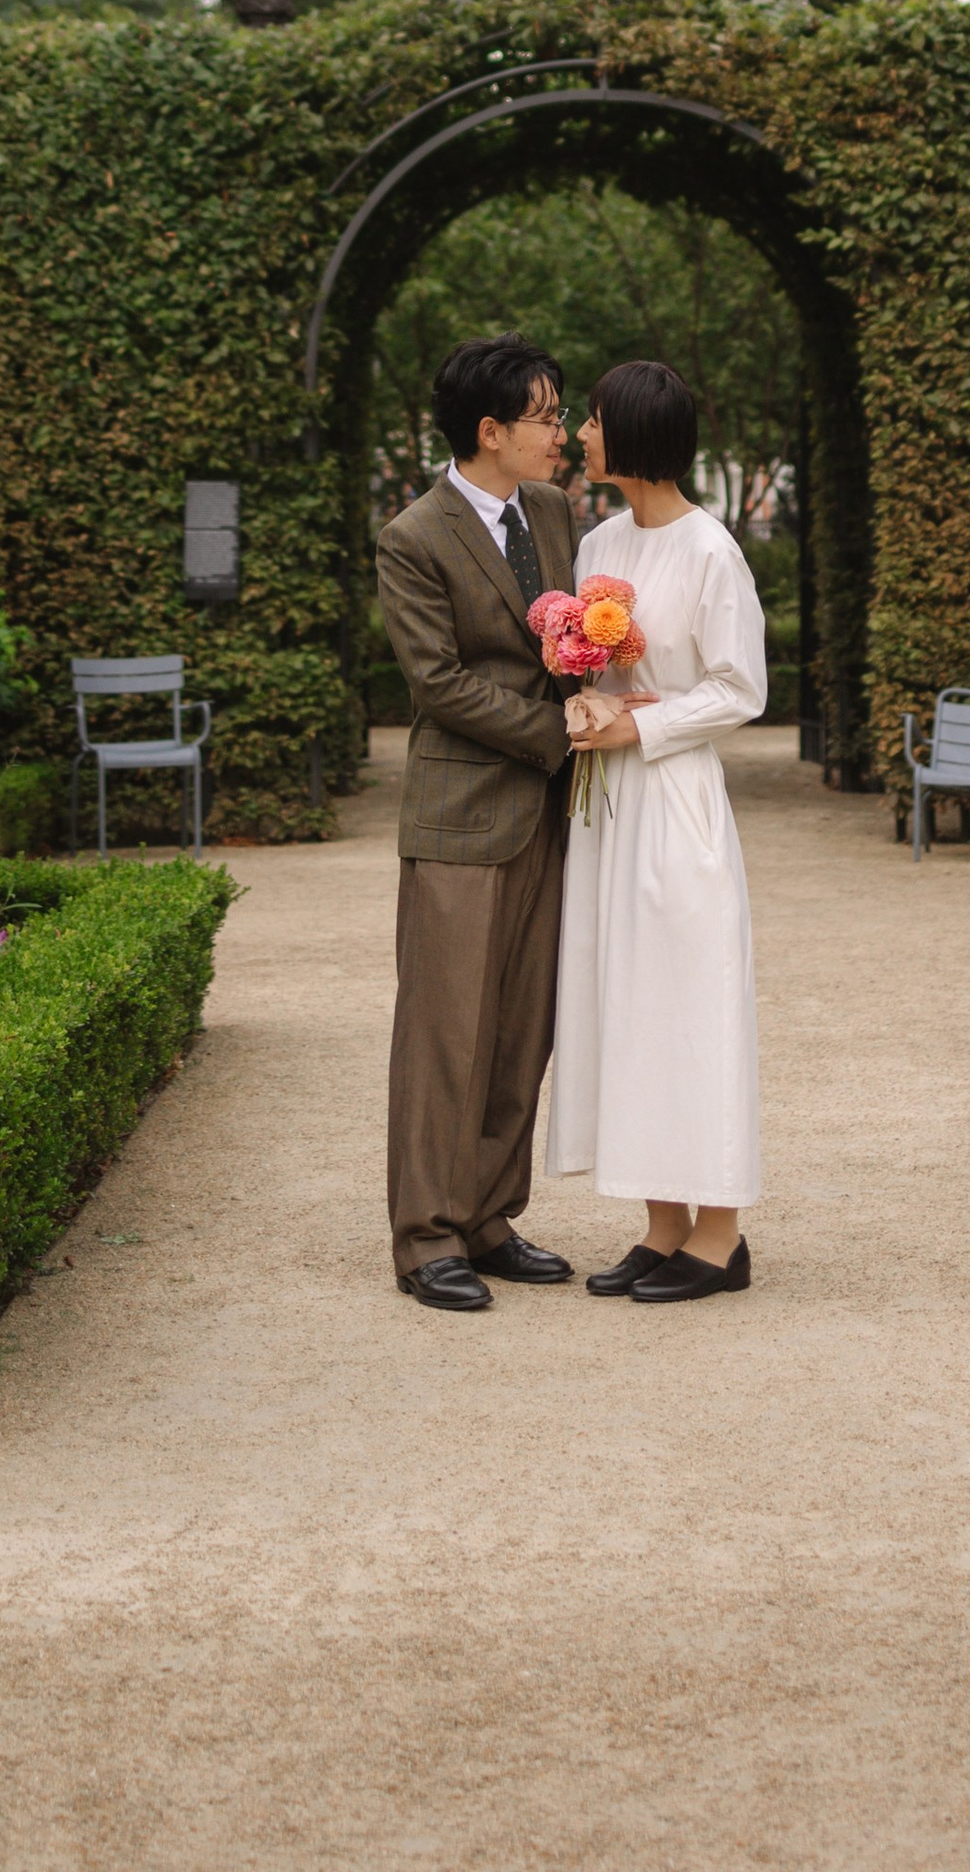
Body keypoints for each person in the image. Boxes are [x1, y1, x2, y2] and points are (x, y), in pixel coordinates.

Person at [547, 357, 767, 1303]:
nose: (581, 435)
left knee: (688, 1000)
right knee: (621, 996)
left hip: (675, 800)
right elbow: (586, 666)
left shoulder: (714, 550)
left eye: (593, 421)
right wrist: (583, 705)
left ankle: (720, 1238)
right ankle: (659, 1225)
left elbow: (739, 689)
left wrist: (639, 723)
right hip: (606, 807)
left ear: (633, 437)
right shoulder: (600, 539)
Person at [375, 333, 581, 1313]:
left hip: (548, 813)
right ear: (489, 430)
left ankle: (490, 1216)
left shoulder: (552, 512)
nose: (559, 433)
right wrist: (558, 729)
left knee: (519, 1028)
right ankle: (425, 1238)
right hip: (462, 812)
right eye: (545, 415)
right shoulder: (412, 537)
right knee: (443, 1034)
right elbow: (438, 685)